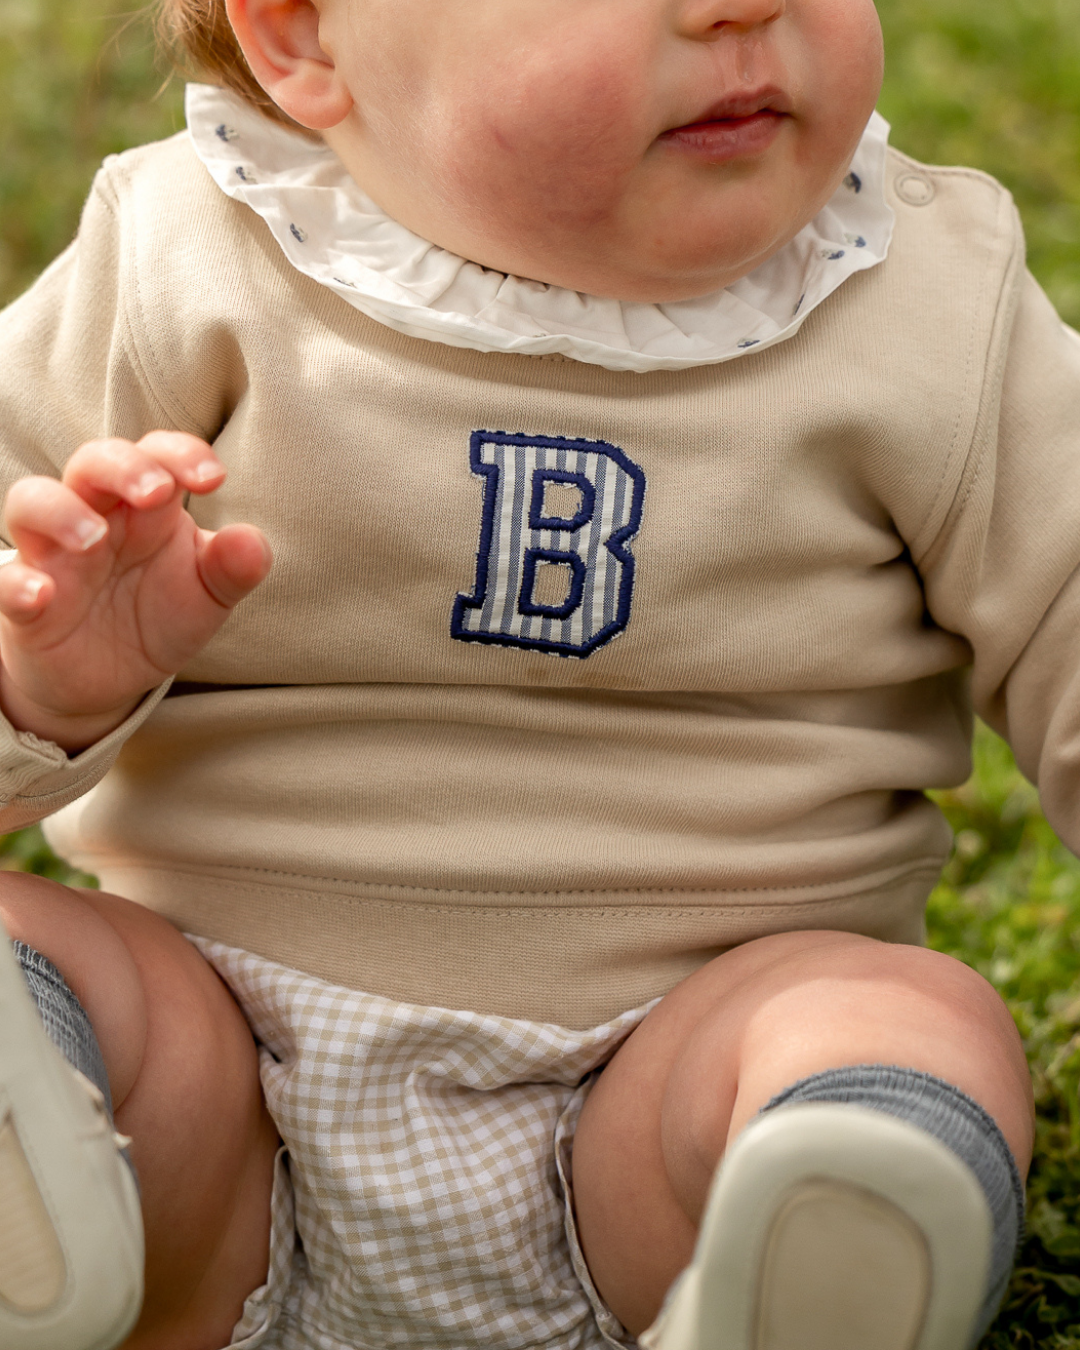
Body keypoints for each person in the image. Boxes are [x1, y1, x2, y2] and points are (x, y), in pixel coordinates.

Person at [1, 0, 1068, 1345]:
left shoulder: (928, 300)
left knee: (905, 1023)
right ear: (304, 39)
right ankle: (37, 1204)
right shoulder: (177, 260)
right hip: (206, 1103)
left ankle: (831, 1214)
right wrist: (45, 678)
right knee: (37, 961)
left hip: (678, 1100)